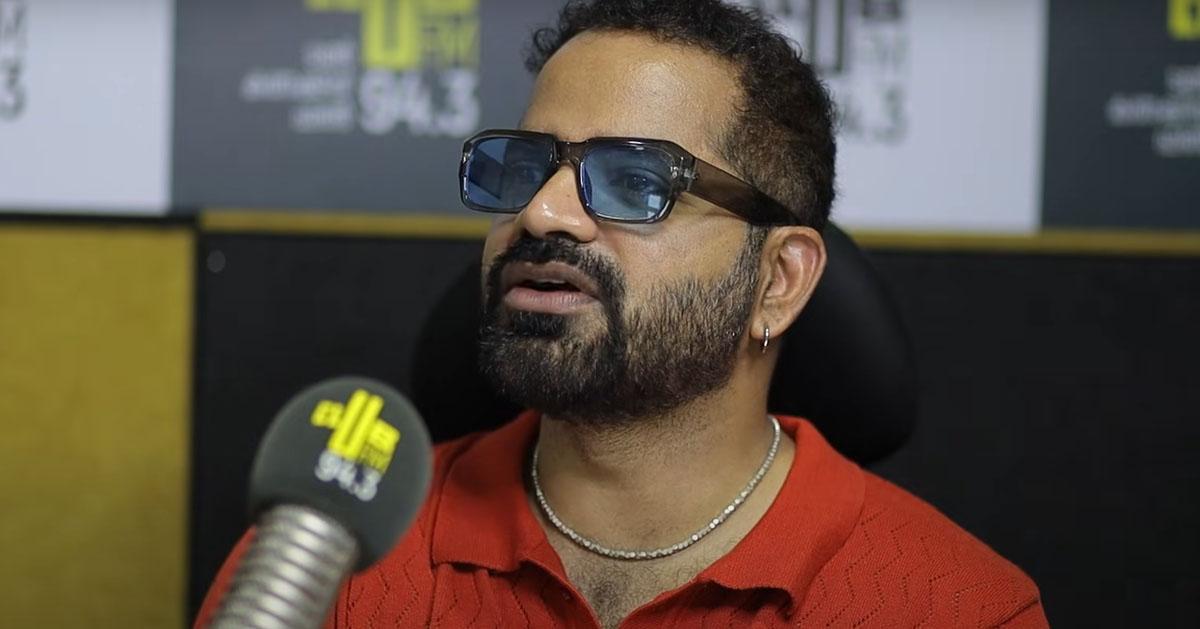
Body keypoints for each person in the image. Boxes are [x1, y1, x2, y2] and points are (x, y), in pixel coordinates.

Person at [197, 0, 1047, 626]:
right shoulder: (331, 560)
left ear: (779, 281)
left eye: (636, 181)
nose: (543, 213)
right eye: (527, 167)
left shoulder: (956, 606)